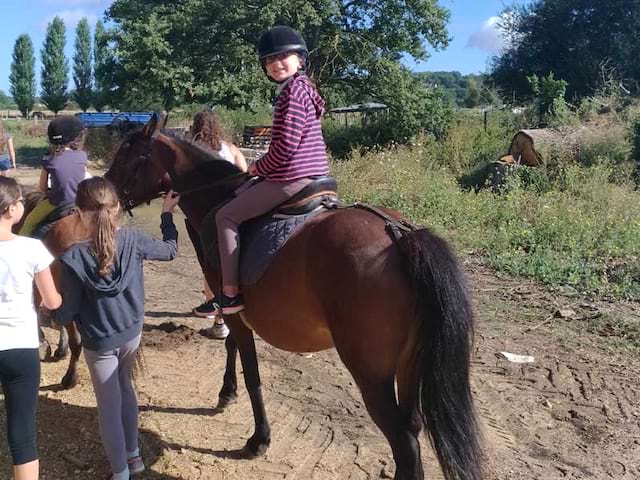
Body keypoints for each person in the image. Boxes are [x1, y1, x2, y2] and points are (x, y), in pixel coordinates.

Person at [55, 178, 180, 480]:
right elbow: (171, 250)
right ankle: (134, 457)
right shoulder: (135, 239)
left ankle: (121, 473)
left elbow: (66, 313)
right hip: (132, 333)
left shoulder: (72, 257)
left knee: (108, 408)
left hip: (100, 342)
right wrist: (166, 215)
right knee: (126, 388)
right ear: (118, 208)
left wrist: (52, 308)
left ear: (79, 212)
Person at [212, 25, 329, 314]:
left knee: (225, 215)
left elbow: (285, 149)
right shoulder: (306, 90)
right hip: (317, 174)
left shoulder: (292, 93)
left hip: (292, 178)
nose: (276, 63)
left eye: (283, 57)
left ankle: (230, 294)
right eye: (269, 60)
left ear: (300, 59)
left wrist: (256, 167)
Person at [0, 176, 62, 480]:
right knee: (22, 429)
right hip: (20, 347)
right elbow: (51, 301)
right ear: (12, 209)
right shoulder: (32, 249)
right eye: (20, 201)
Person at [190, 109, 247, 338]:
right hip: (236, 209)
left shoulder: (195, 150)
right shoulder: (230, 148)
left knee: (210, 265)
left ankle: (219, 321)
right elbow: (244, 173)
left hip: (207, 215)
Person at [20, 115, 88, 236]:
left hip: (56, 203)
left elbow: (42, 187)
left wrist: (49, 195)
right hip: (81, 202)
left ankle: (22, 245)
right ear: (76, 137)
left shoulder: (49, 160)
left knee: (29, 222)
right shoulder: (83, 156)